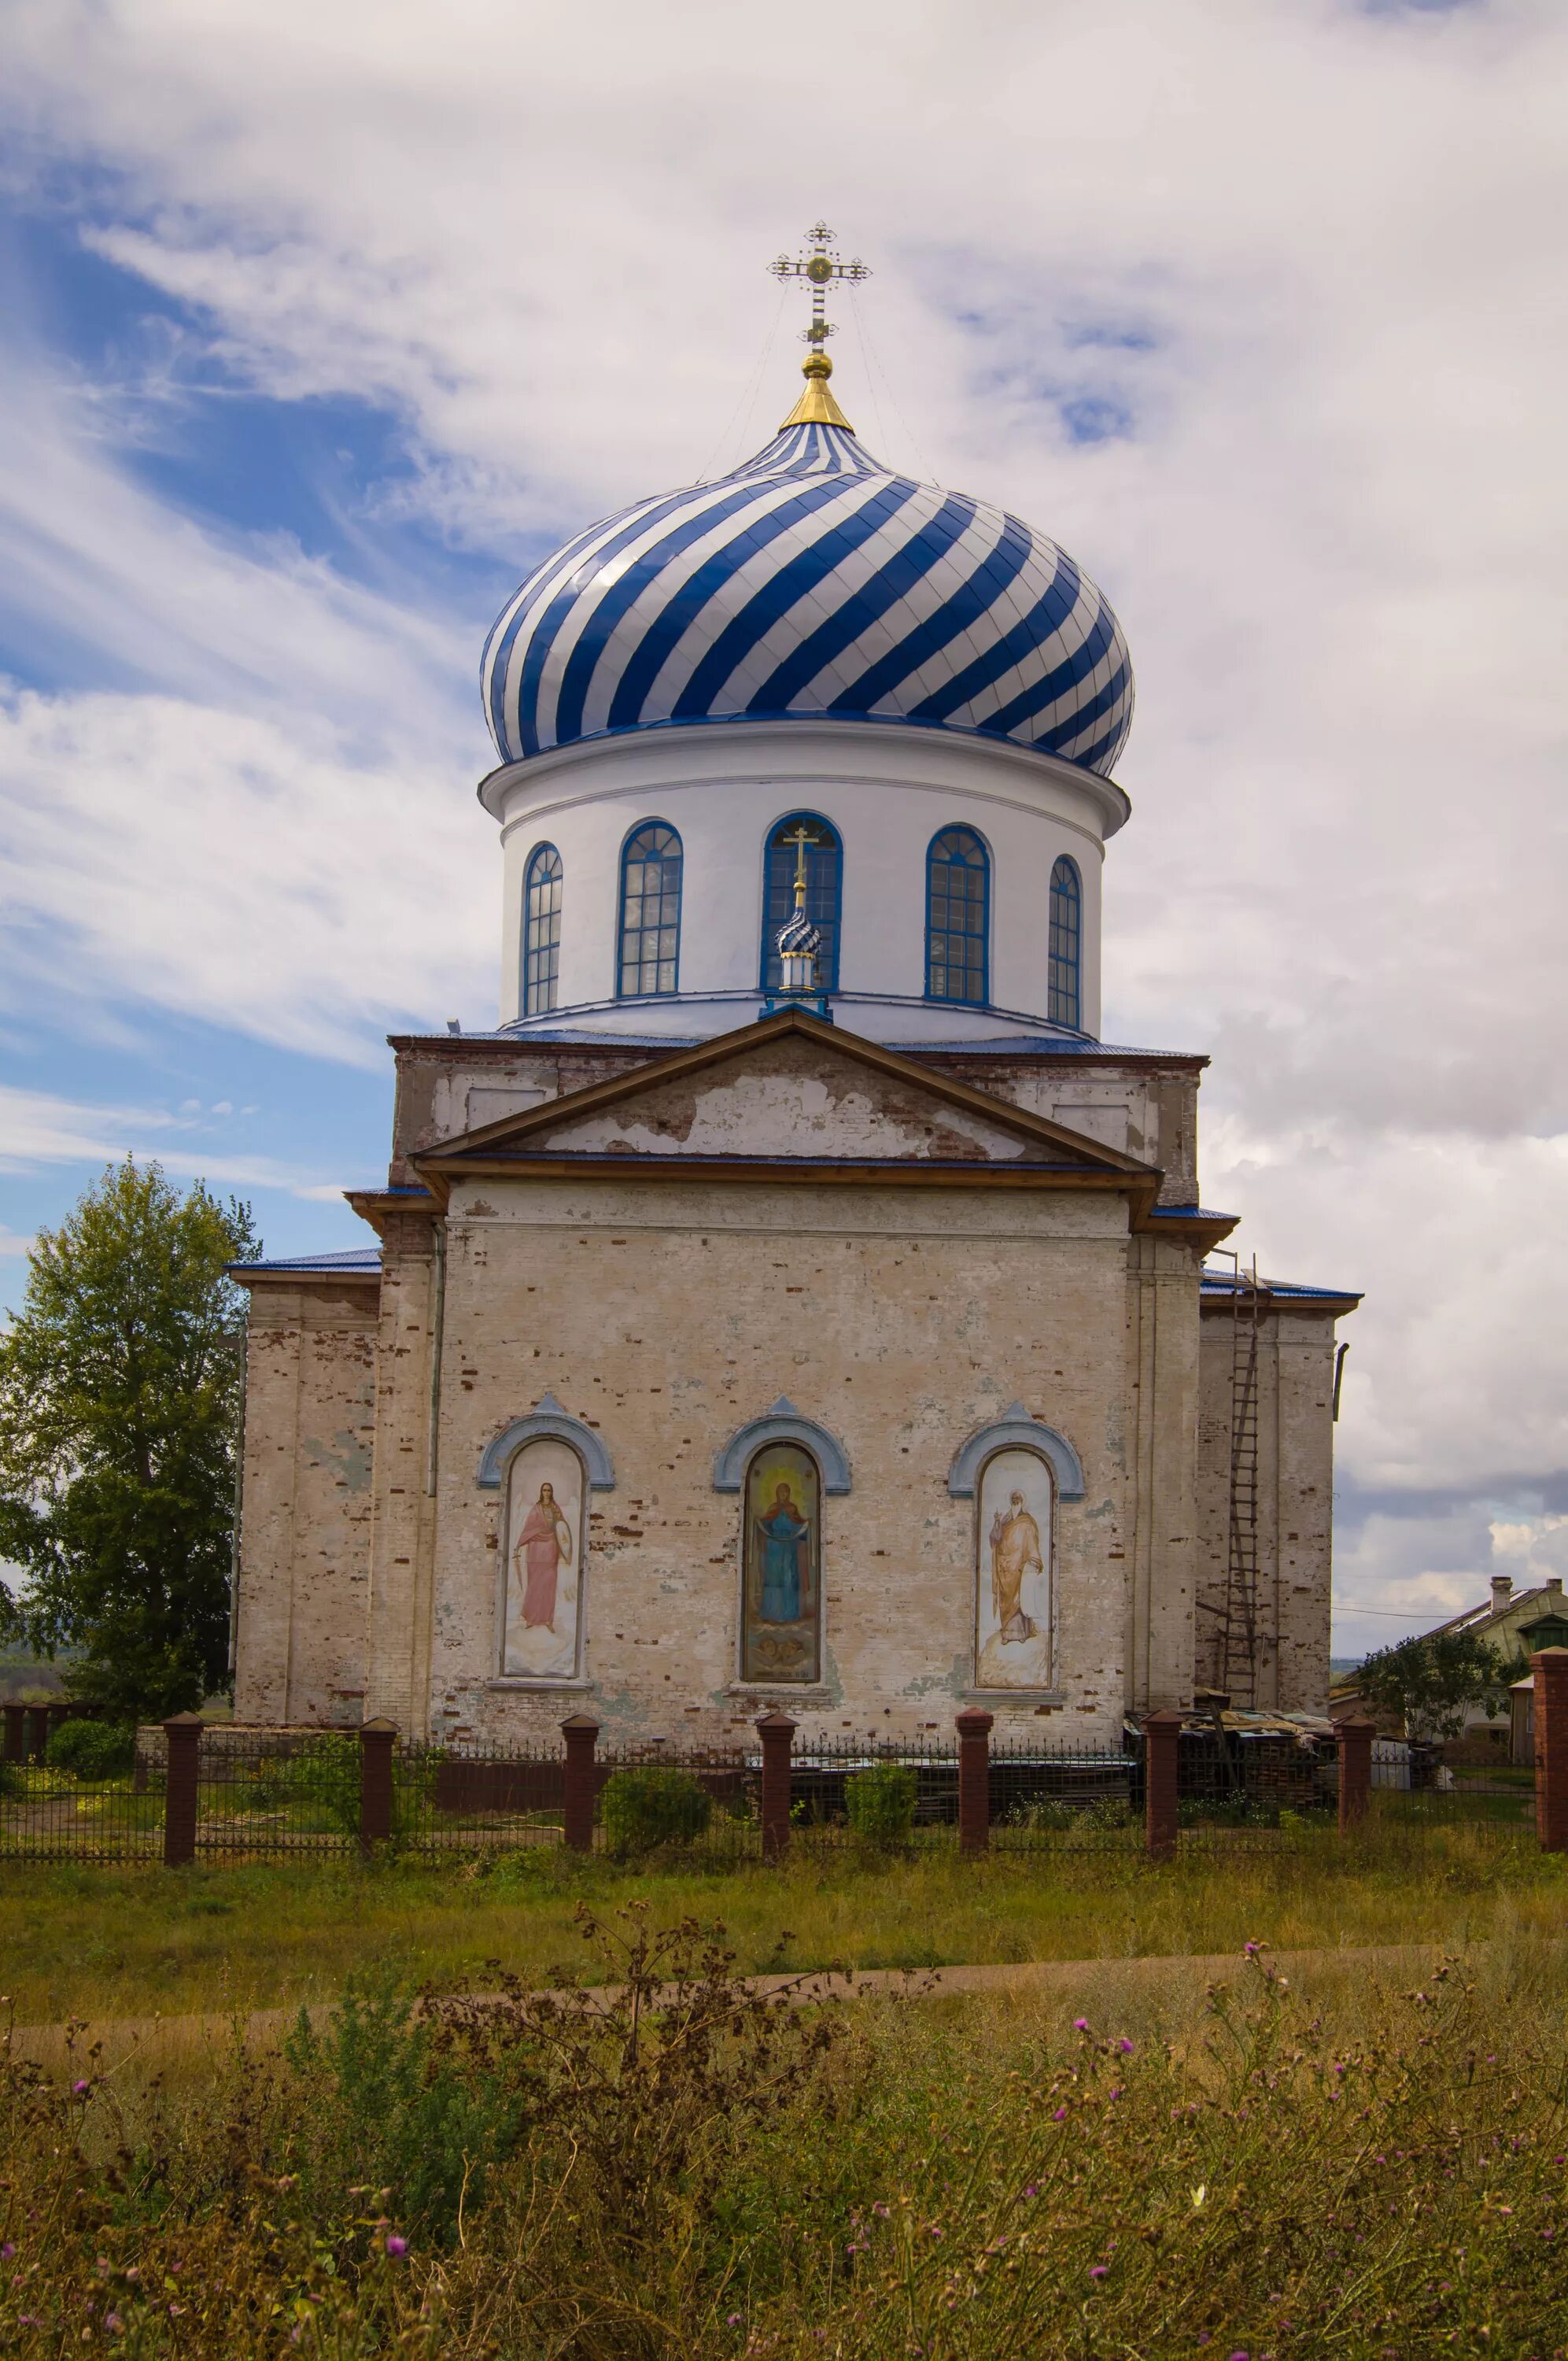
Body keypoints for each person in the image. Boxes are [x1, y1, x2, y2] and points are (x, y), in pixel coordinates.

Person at [513, 1480, 573, 1631]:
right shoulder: (536, 1509)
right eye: (544, 1490)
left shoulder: (555, 1509)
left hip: (551, 1547)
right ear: (541, 1492)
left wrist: (566, 1550)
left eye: (549, 1490)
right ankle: (531, 1619)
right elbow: (528, 1529)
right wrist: (518, 1545)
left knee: (549, 1584)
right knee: (535, 1584)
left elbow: (562, 1529)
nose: (547, 1493)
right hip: (536, 1549)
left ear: (551, 1493)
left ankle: (548, 1620)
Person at [990, 1490, 1043, 1643]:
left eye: (1018, 1499)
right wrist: (997, 1522)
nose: (1015, 1501)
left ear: (1022, 1501)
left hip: (1019, 1566)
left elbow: (1032, 1541)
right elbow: (996, 1538)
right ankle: (1007, 1635)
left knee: (1020, 1599)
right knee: (1006, 1600)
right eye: (1013, 1499)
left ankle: (1021, 1634)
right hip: (1005, 1566)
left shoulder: (1027, 1521)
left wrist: (1032, 1560)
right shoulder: (1006, 1519)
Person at [756, 1481, 810, 1622]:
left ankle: (789, 1613)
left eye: (786, 1491)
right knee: (774, 1579)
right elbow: (766, 1524)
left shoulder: (792, 1508)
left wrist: (805, 1523)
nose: (783, 1494)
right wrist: (759, 1522)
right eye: (781, 1491)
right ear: (777, 1493)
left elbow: (798, 1525)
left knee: (789, 1578)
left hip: (789, 1548)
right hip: (774, 1549)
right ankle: (771, 1613)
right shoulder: (773, 1508)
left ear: (789, 1493)